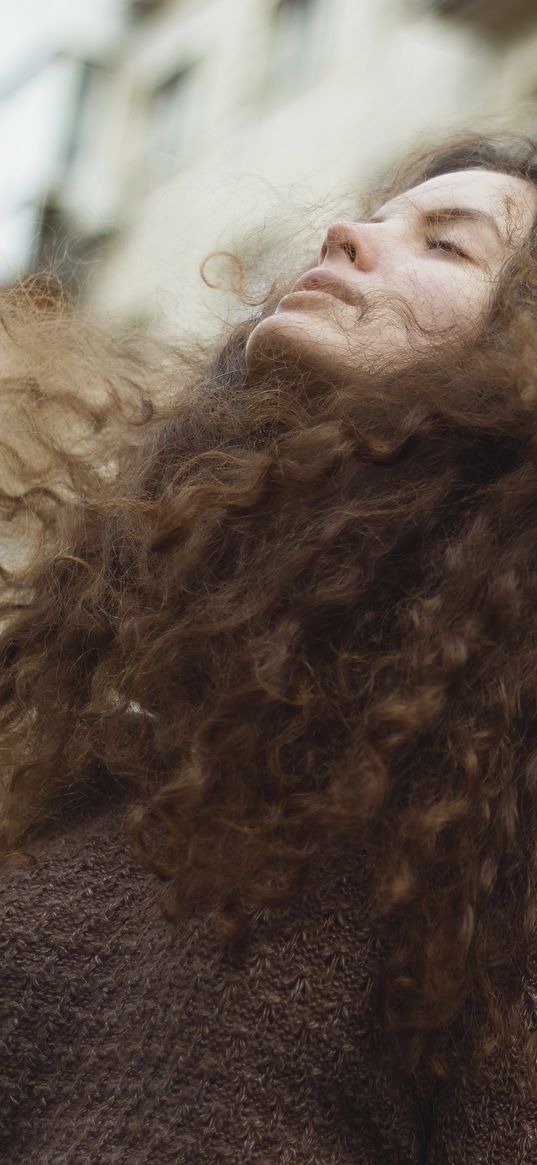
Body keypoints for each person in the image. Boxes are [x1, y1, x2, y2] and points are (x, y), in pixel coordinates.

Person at [1, 126, 537, 1164]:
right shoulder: (109, 782)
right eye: (375, 217)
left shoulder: (493, 859)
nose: (344, 232)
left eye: (447, 244)